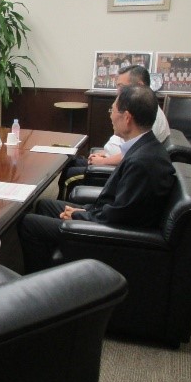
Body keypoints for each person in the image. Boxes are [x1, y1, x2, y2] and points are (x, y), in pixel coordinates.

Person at [19, 85, 175, 274]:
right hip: (104, 214)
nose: (110, 115)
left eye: (113, 110)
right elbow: (119, 207)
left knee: (28, 223)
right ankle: (56, 262)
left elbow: (119, 216)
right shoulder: (146, 147)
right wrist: (82, 211)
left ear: (127, 118)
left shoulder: (142, 162)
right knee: (44, 205)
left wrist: (79, 215)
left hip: (108, 233)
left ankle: (37, 284)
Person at [56, 64, 171, 199]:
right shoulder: (142, 108)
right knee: (71, 161)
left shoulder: (148, 115)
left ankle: (61, 210)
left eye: (121, 86)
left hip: (116, 168)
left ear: (139, 85)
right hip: (113, 160)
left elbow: (136, 154)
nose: (118, 91)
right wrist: (106, 154)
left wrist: (104, 161)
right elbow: (132, 147)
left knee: (70, 173)